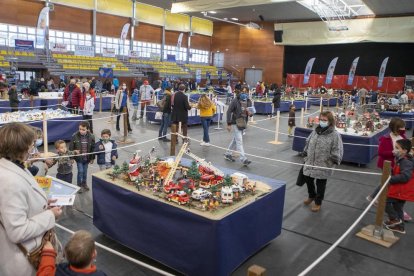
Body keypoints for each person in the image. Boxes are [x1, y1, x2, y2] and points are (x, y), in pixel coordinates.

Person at [0, 122, 62, 276]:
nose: (33, 147)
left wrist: (42, 203)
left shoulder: (15, 165)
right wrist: (50, 215)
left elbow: (21, 202)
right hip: (26, 258)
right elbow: (18, 231)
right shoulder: (10, 181)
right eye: (32, 143)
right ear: (22, 147)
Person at [302, 111, 344, 212]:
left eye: (324, 120)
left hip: (324, 164)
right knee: (308, 179)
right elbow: (308, 141)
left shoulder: (335, 135)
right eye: (321, 119)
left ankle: (318, 202)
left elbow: (337, 149)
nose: (322, 121)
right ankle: (311, 196)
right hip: (310, 161)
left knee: (321, 184)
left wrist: (331, 161)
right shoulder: (315, 130)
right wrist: (306, 154)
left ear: (330, 121)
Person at [37, 230, 107, 276]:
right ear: (94, 254)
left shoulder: (58, 271)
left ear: (66, 253)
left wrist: (48, 254)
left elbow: (44, 273)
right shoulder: (100, 274)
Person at [384, 139, 414, 234]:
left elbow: (405, 177)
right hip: (401, 190)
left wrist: (390, 179)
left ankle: (395, 219)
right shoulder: (401, 159)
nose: (394, 149)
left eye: (397, 148)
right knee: (398, 207)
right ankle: (400, 227)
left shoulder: (405, 161)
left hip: (400, 190)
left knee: (384, 201)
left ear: (404, 150)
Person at [224, 90, 252, 166]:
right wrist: (229, 124)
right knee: (239, 141)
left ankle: (227, 153)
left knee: (235, 140)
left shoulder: (249, 101)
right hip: (237, 121)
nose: (244, 102)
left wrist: (250, 113)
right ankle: (243, 159)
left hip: (243, 122)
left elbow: (251, 112)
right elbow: (228, 111)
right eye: (242, 101)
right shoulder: (235, 101)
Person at [69, 121, 95, 192]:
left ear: (87, 129)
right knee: (80, 171)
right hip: (79, 159)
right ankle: (79, 185)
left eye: (83, 129)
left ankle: (84, 183)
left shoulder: (91, 136)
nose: (81, 131)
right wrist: (71, 157)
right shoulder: (74, 136)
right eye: (80, 129)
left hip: (86, 159)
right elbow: (71, 147)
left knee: (85, 172)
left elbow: (93, 148)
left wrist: (92, 158)